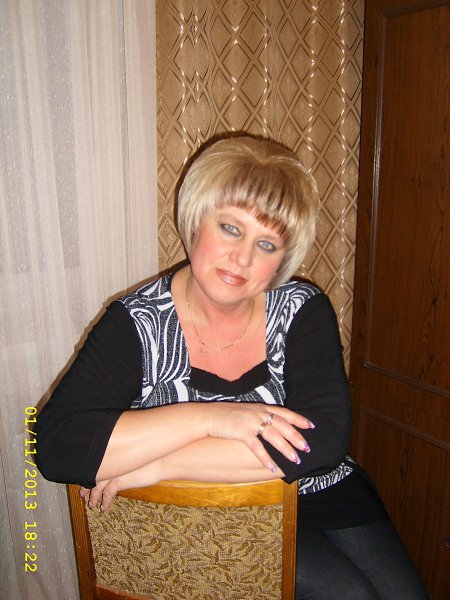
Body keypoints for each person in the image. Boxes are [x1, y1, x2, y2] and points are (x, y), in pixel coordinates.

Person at [35, 135, 429, 599]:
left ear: (282, 260)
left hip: (319, 490)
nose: (243, 258)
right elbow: (56, 447)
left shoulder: (301, 308)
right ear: (195, 219)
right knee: (349, 594)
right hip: (211, 506)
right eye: (230, 228)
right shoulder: (136, 323)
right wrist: (211, 418)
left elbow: (320, 445)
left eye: (267, 244)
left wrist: (161, 462)